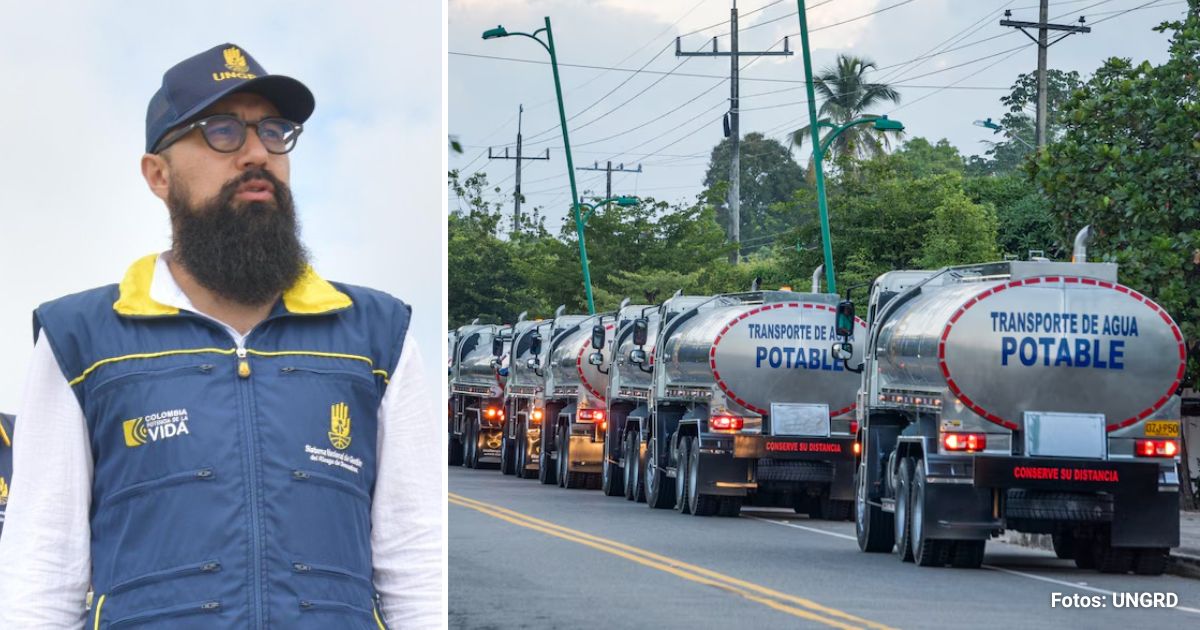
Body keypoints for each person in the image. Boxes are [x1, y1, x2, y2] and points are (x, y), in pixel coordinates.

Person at [0, 44, 442, 629]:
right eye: (223, 131)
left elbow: (417, 561)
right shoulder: (80, 340)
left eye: (274, 132)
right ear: (158, 175)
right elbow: (40, 575)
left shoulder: (377, 335)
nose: (257, 153)